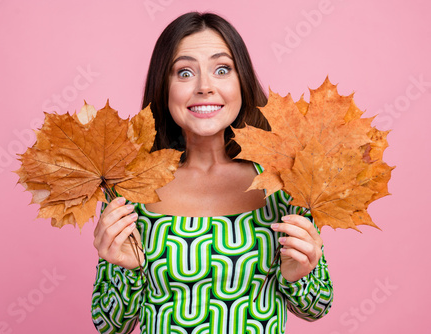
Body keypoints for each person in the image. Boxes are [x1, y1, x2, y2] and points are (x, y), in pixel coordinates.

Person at [91, 12, 333, 334]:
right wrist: (127, 269)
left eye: (222, 69)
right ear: (164, 87)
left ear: (241, 81)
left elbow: (318, 306)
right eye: (185, 72)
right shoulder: (131, 189)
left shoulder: (284, 182)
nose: (205, 87)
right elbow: (108, 325)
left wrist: (298, 273)